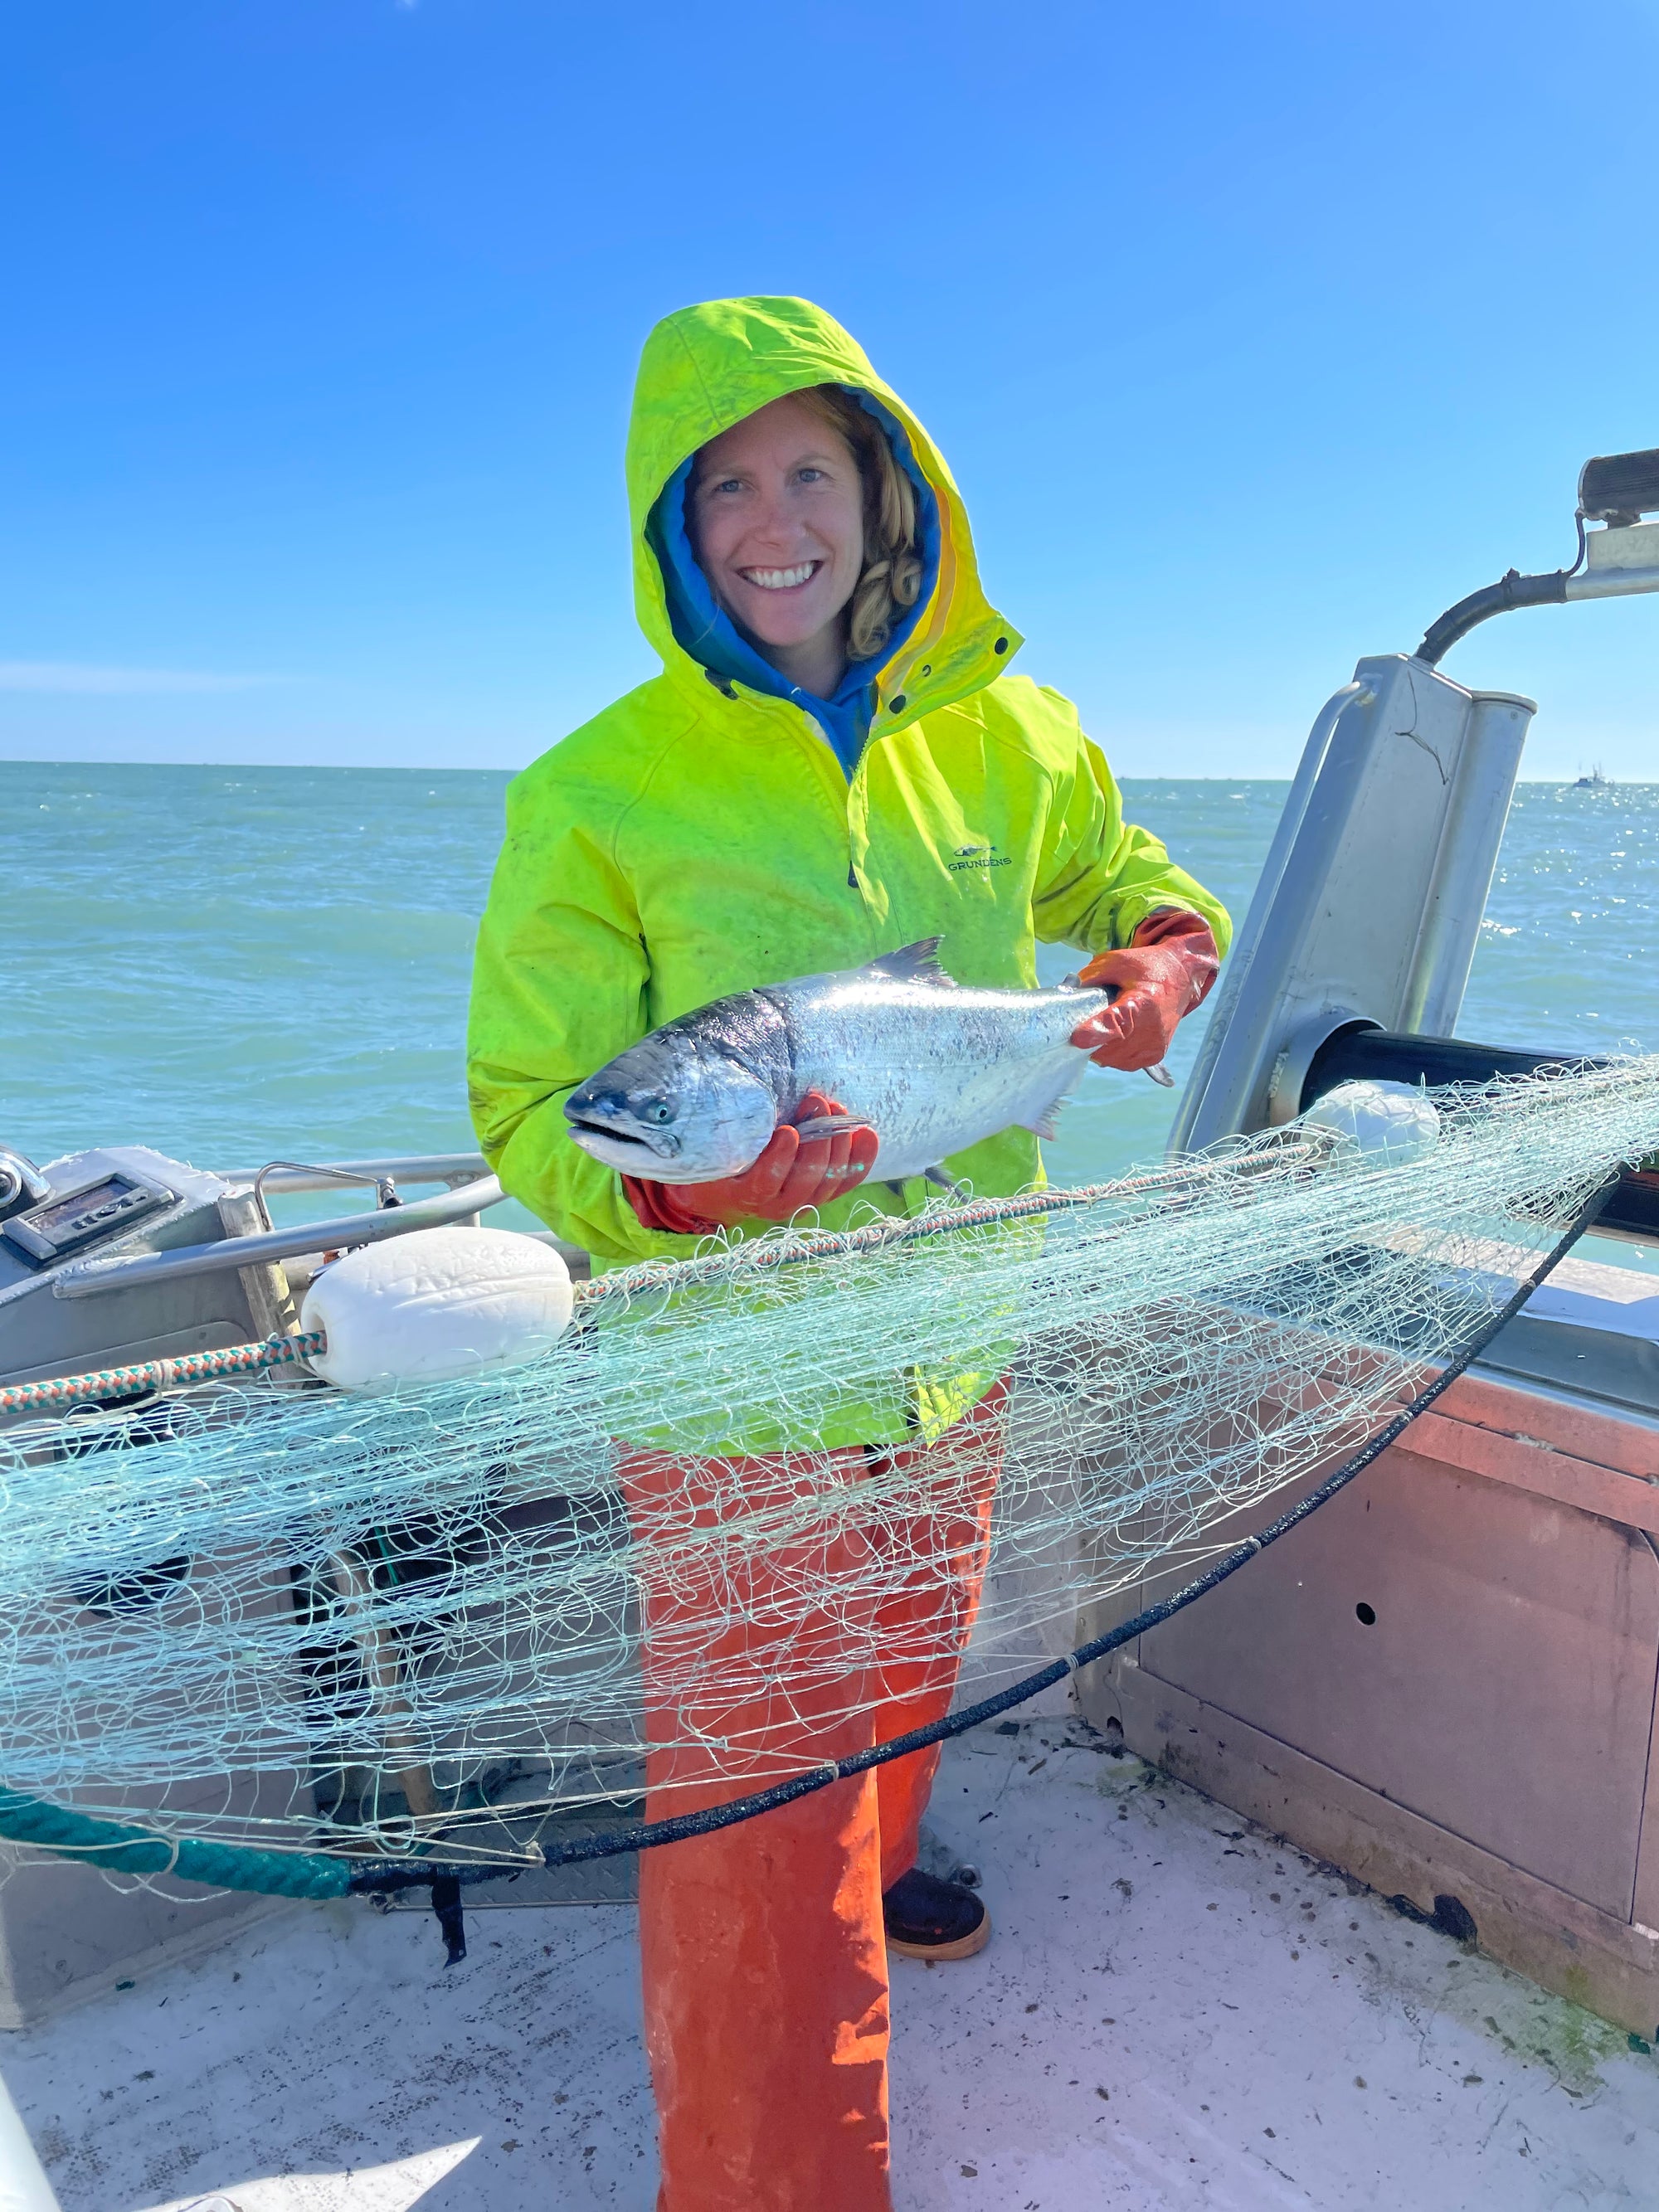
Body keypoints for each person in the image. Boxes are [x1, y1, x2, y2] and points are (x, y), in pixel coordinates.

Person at [467, 295, 1230, 2212]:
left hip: (955, 1339)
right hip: (735, 1395)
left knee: (900, 1683)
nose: (772, 517)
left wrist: (1155, 963)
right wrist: (677, 1197)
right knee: (749, 1847)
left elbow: (1128, 883)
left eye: (810, 466)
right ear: (672, 526)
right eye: (723, 483)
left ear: (888, 490)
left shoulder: (1014, 730)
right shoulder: (591, 788)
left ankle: (885, 1864)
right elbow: (535, 1113)